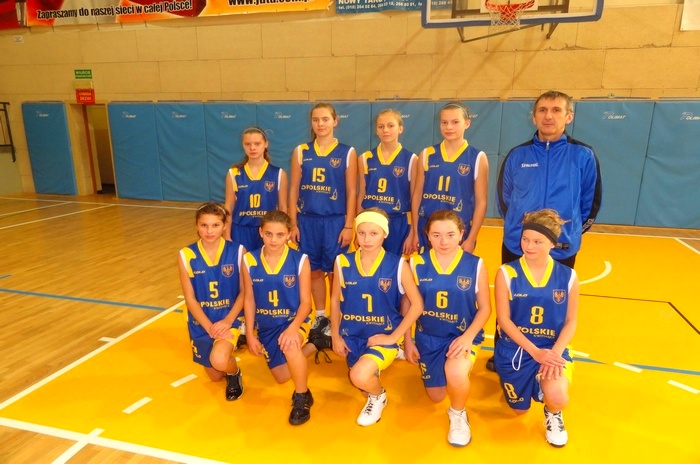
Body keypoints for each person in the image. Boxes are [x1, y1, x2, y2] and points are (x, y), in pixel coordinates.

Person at [488, 90, 602, 372]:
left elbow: (590, 202)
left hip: (561, 248)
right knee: (511, 301)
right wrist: (521, 231)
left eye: (556, 110)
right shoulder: (518, 155)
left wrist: (567, 234)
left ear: (569, 116)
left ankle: (552, 354)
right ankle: (504, 352)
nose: (548, 116)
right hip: (517, 244)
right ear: (534, 116)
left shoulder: (583, 155)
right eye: (542, 110)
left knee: (556, 305)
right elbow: (504, 199)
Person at [404, 209, 492, 447]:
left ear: (462, 234)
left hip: (461, 335)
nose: (444, 241)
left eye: (450, 234)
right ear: (427, 236)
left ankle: (458, 414)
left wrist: (468, 337)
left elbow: (485, 308)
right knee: (436, 396)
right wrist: (408, 341)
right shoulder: (416, 263)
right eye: (437, 235)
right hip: (428, 338)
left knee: (455, 373)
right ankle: (452, 372)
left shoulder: (475, 264)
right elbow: (408, 305)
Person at [330, 208, 424, 426]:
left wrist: (394, 337)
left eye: (374, 233)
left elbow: (417, 305)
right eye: (362, 233)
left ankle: (379, 396)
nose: (367, 239)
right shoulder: (342, 262)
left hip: (383, 335)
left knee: (359, 377)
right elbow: (334, 300)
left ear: (385, 234)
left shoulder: (397, 265)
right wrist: (335, 335)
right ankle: (373, 375)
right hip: (352, 334)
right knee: (361, 382)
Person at [494, 209, 579, 447]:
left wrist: (553, 353)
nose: (529, 246)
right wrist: (535, 352)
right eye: (525, 239)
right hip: (516, 350)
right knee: (519, 410)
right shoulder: (507, 272)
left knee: (558, 397)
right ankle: (535, 384)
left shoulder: (568, 277)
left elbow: (571, 321)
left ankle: (553, 413)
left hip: (552, 348)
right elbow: (504, 320)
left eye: (537, 241)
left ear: (552, 243)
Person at [289, 102, 357, 354]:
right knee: (314, 271)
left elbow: (352, 190)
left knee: (335, 273)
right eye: (316, 119)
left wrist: (349, 224)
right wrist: (292, 222)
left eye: (325, 119)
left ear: (335, 121)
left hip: (335, 221)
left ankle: (338, 318)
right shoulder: (301, 151)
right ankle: (321, 316)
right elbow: (293, 189)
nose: (320, 124)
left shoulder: (347, 152)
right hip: (307, 220)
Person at [240, 210, 314, 425]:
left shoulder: (300, 260)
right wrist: (250, 334)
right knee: (282, 376)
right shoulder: (249, 260)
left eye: (280, 235)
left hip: (294, 320)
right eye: (269, 234)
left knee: (290, 345)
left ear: (289, 234)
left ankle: (302, 396)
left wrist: (293, 328)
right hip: (267, 325)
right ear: (260, 232)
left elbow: (306, 303)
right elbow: (249, 299)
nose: (274, 240)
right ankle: (314, 345)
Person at [177, 202, 245, 401]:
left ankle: (234, 373)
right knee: (215, 375)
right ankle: (223, 358)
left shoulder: (238, 251)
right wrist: (209, 327)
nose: (209, 231)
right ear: (196, 225)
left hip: (229, 319)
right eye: (204, 225)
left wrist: (227, 321)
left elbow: (245, 293)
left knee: (220, 361)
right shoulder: (186, 255)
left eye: (215, 225)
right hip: (201, 322)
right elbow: (190, 298)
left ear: (224, 226)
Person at [411, 101, 488, 255]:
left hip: (458, 230)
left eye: (455, 122)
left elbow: (481, 202)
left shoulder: (478, 157)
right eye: (444, 122)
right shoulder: (426, 154)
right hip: (428, 228)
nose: (449, 127)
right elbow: (417, 195)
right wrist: (414, 231)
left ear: (467, 123)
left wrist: (471, 238)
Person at [357, 108, 418, 257]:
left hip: (398, 222)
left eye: (391, 126)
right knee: (369, 263)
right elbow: (362, 194)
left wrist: (413, 232)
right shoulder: (365, 158)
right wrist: (358, 225)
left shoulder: (411, 159)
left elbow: (415, 197)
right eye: (381, 126)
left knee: (394, 265)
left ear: (400, 128)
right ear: (376, 130)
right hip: (371, 221)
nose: (385, 130)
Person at [224, 125, 288, 252]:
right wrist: (226, 234)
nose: (252, 148)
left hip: (268, 231)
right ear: (243, 145)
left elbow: (282, 208)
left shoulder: (278, 174)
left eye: (257, 144)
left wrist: (284, 234)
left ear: (266, 144)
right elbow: (228, 208)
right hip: (240, 230)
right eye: (247, 144)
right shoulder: (234, 173)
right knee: (242, 264)